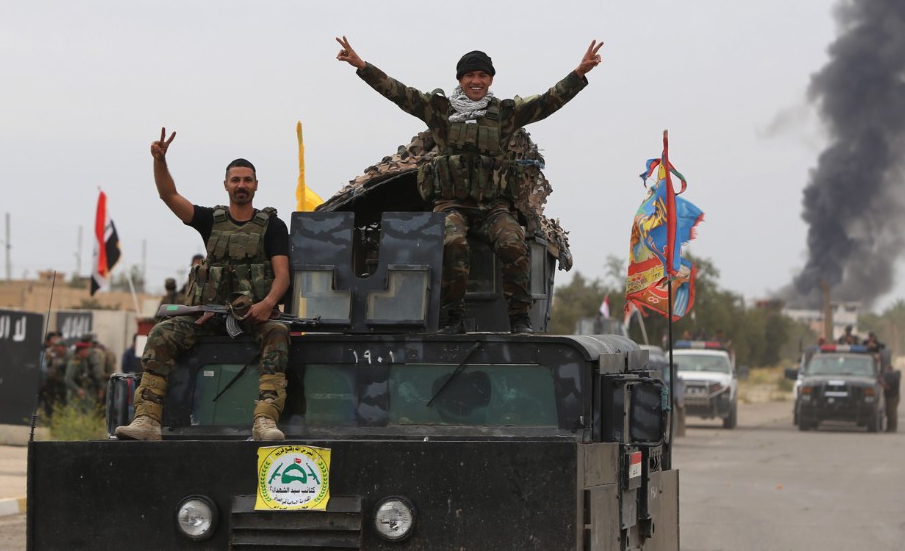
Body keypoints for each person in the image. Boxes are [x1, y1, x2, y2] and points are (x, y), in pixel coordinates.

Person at [336, 36, 603, 334]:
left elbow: (547, 102)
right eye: (470, 76)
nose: (476, 81)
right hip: (452, 205)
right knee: (452, 242)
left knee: (514, 243)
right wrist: (362, 66)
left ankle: (519, 318)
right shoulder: (439, 110)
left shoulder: (504, 114)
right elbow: (398, 92)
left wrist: (579, 73)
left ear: (490, 80)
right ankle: (453, 316)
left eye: (482, 76)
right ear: (460, 80)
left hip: (493, 209)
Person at [114, 128, 292, 442]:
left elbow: (282, 276)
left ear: (256, 185)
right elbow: (169, 196)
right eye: (235, 180)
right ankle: (146, 420)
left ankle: (265, 421)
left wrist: (266, 305)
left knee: (278, 334)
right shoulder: (211, 220)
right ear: (226, 185)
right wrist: (160, 161)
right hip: (209, 316)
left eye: (247, 180)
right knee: (162, 333)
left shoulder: (272, 226)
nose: (241, 185)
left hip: (254, 316)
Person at [865, 332, 899, 432]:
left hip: (892, 396)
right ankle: (890, 428)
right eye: (870, 338)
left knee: (891, 412)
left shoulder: (892, 376)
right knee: (890, 412)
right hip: (891, 395)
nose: (871, 340)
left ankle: (892, 428)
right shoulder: (865, 344)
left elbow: (887, 387)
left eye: (872, 338)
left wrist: (881, 382)